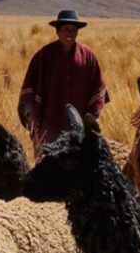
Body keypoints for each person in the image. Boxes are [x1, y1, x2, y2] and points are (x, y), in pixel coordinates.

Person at [17, 10, 109, 158]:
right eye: (65, 29)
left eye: (73, 30)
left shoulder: (88, 57)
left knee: (79, 171)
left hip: (79, 131)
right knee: (47, 171)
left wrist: (91, 124)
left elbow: (97, 93)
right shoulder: (43, 56)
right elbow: (28, 95)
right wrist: (34, 128)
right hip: (48, 126)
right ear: (57, 31)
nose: (69, 33)